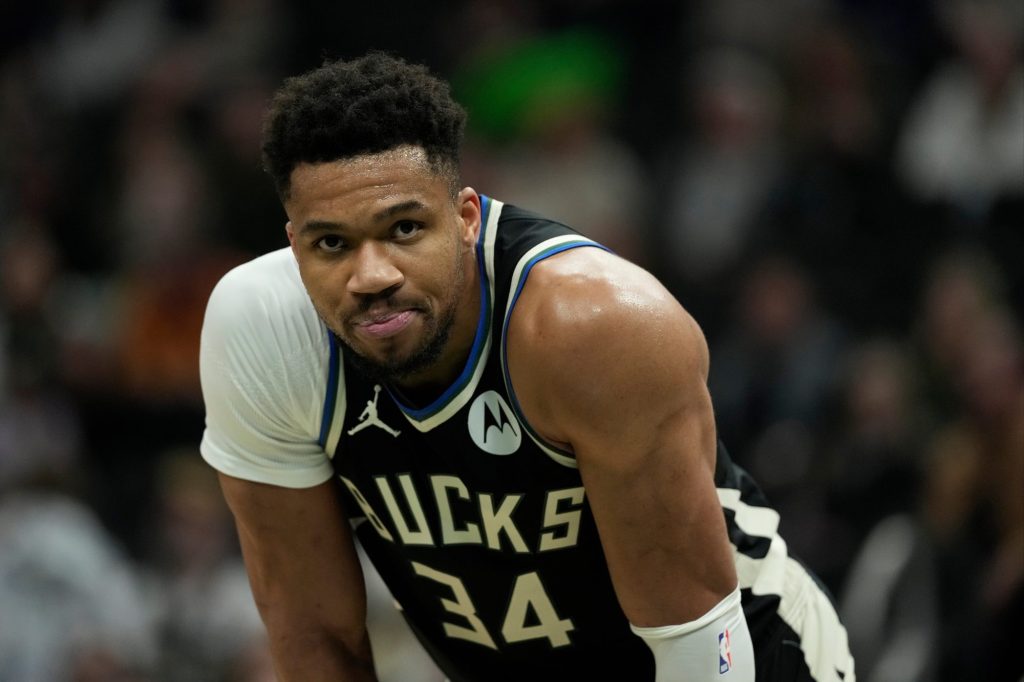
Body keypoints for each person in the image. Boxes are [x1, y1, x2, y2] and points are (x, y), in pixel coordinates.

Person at [198, 51, 855, 682]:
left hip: (743, 654)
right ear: (294, 244)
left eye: (404, 230)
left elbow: (700, 643)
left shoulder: (594, 327)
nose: (372, 276)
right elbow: (314, 636)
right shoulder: (266, 333)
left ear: (465, 218)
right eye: (332, 243)